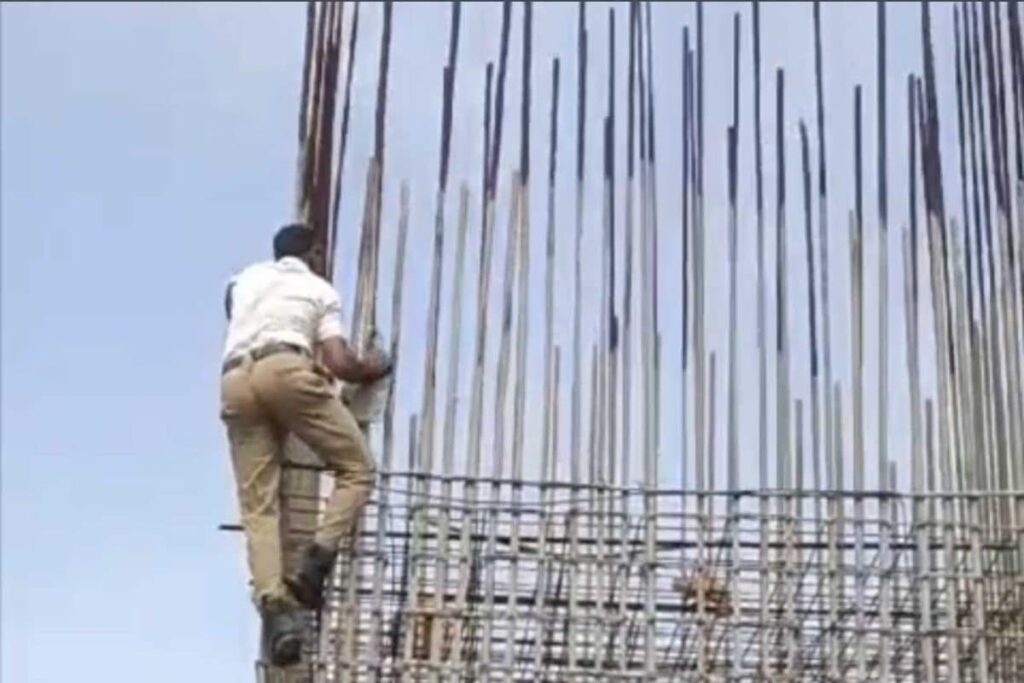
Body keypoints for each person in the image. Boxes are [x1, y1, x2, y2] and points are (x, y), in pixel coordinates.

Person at [220, 223, 392, 666]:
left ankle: (276, 608)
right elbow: (339, 361)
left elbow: (237, 314)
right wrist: (372, 366)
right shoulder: (318, 288)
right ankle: (314, 563)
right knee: (357, 470)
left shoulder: (243, 281)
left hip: (235, 379)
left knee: (259, 506)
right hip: (287, 371)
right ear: (314, 253)